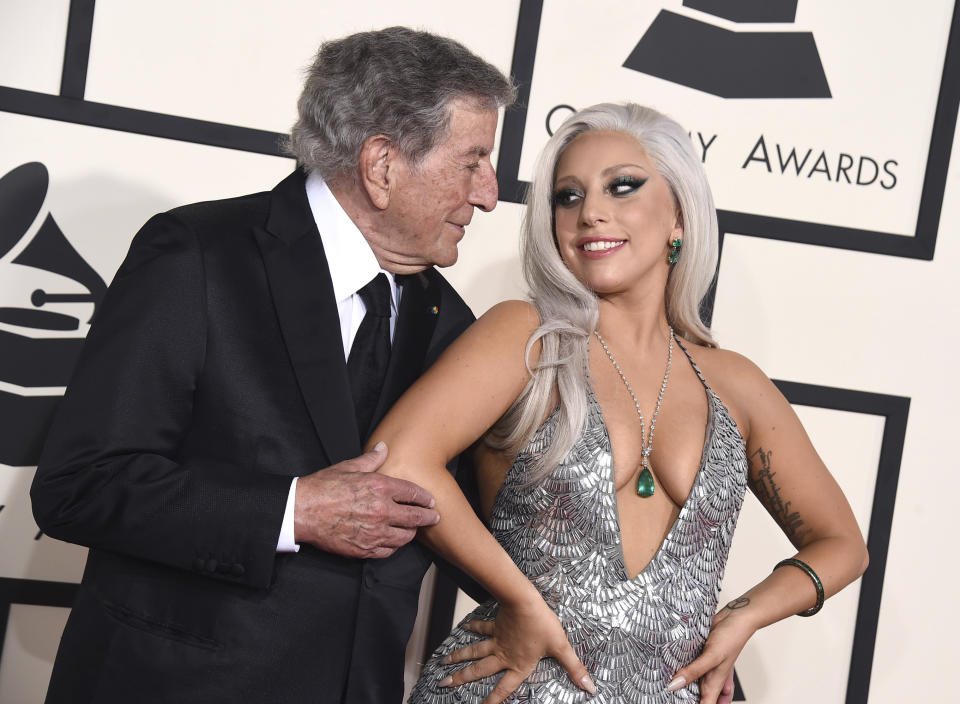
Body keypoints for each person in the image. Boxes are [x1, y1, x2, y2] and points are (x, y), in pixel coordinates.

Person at [30, 27, 514, 704]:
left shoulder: (454, 326)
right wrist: (294, 510)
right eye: (473, 162)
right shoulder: (197, 257)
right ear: (381, 164)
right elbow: (79, 485)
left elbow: (486, 530)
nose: (490, 195)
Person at [365, 103, 870, 703]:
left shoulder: (736, 385)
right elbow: (398, 462)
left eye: (622, 187)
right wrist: (523, 601)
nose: (591, 212)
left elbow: (842, 544)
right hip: (513, 687)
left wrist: (742, 616)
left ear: (678, 215)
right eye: (568, 197)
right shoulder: (527, 337)